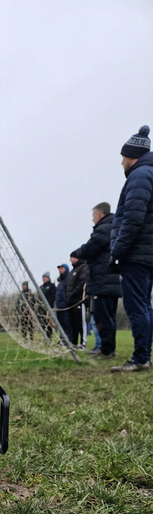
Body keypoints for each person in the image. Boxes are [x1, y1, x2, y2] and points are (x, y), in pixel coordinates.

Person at [109, 125, 153, 373]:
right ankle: (144, 355)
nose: (121, 162)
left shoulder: (140, 176)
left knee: (137, 307)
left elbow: (133, 219)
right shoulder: (149, 174)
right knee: (145, 306)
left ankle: (140, 358)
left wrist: (117, 252)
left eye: (123, 156)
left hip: (137, 254)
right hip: (147, 253)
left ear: (132, 155)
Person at [70, 202, 120, 359]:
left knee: (102, 317)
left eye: (93, 216)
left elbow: (89, 248)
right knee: (109, 317)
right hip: (110, 281)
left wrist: (78, 252)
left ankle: (106, 350)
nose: (92, 220)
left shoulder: (104, 229)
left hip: (103, 281)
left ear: (99, 214)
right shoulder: (114, 226)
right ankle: (109, 348)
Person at [66, 257, 88, 348]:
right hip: (71, 301)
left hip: (79, 300)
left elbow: (82, 283)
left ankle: (83, 342)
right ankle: (74, 342)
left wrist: (74, 293)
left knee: (81, 322)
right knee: (73, 323)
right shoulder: (72, 271)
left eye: (72, 257)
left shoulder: (83, 268)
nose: (70, 259)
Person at [55, 264, 72, 343]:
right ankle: (62, 339)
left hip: (65, 306)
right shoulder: (60, 282)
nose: (60, 270)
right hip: (59, 306)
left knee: (67, 323)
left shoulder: (68, 279)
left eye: (62, 268)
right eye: (59, 268)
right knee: (61, 323)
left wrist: (66, 302)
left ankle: (68, 339)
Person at [38, 271, 56, 339]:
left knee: (49, 322)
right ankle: (44, 336)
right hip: (41, 308)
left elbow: (54, 296)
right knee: (42, 322)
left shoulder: (52, 286)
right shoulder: (41, 287)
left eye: (45, 277)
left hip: (49, 307)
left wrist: (48, 303)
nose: (44, 279)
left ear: (48, 278)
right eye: (43, 277)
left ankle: (49, 337)